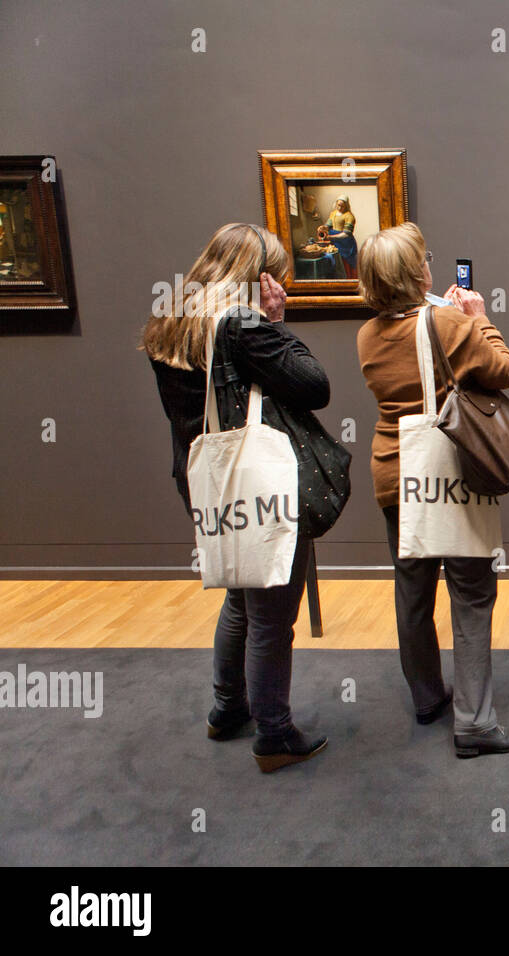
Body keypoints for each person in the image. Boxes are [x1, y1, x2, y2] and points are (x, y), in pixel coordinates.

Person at [143, 223, 330, 772]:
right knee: (271, 608)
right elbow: (315, 386)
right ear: (257, 275)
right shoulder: (244, 324)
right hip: (256, 480)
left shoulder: (174, 316)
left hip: (204, 479)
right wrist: (277, 324)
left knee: (239, 596)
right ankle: (273, 734)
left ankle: (228, 710)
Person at [355, 222, 509, 758]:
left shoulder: (366, 334)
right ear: (416, 272)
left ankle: (429, 697)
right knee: (473, 594)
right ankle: (475, 724)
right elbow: (503, 371)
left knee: (412, 590)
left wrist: (450, 318)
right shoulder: (450, 322)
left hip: (395, 472)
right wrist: (480, 320)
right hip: (450, 472)